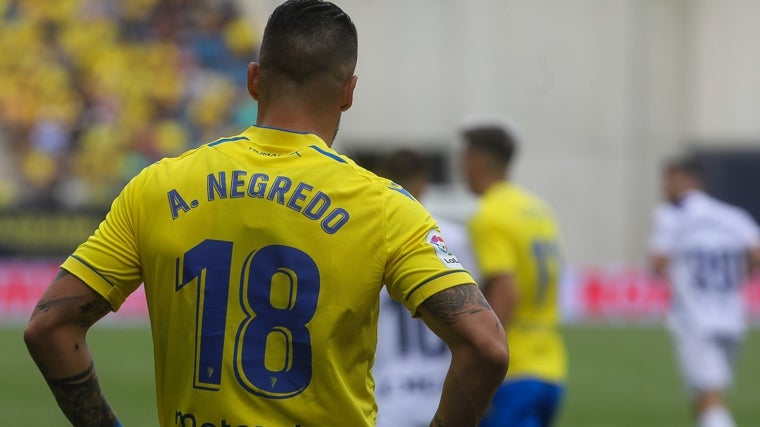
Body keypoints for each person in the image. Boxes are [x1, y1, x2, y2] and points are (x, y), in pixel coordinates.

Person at [23, 2, 509, 427]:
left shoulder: (157, 187)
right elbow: (486, 347)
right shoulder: (384, 206)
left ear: (254, 79)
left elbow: (50, 326)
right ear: (348, 92)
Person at [459, 115, 566, 427]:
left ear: (475, 162)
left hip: (513, 374)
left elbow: (506, 290)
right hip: (551, 368)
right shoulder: (537, 210)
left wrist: (482, 359)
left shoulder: (490, 215)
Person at [649, 155, 760, 427]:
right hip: (732, 317)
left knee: (709, 400)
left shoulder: (672, 216)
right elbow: (756, 253)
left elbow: (658, 263)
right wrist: (737, 277)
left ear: (685, 180)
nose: (664, 187)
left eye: (668, 180)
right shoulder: (732, 215)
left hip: (697, 319)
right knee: (706, 397)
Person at [373, 149, 478, 427]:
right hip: (445, 392)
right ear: (424, 184)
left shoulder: (370, 238)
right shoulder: (455, 237)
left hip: (388, 394)